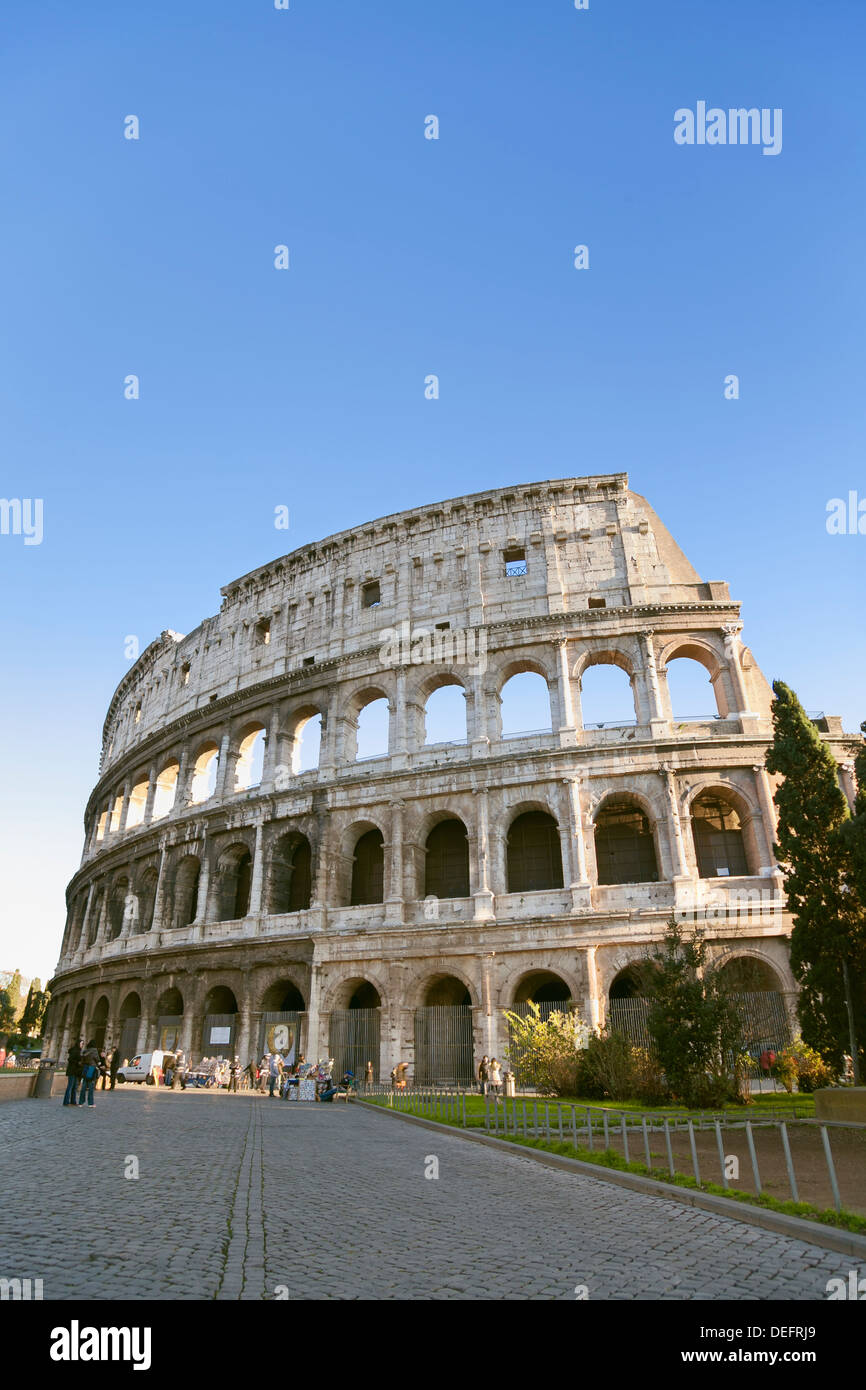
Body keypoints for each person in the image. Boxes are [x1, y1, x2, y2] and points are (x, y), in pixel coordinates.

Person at [78, 1039, 101, 1108]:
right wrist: (99, 1063)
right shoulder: (94, 1050)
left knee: (84, 1086)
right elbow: (97, 1059)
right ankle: (90, 1103)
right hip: (92, 1068)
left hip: (85, 1068)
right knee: (91, 1087)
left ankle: (80, 1103)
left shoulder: (86, 1050)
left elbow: (82, 1059)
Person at [63, 1039, 82, 1106]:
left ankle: (73, 1101)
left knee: (74, 1087)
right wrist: (78, 1062)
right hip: (72, 1070)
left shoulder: (78, 1051)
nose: (82, 1045)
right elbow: (70, 1059)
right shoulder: (74, 1050)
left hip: (76, 1071)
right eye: (81, 1043)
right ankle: (66, 1102)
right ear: (78, 1044)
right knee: (70, 1086)